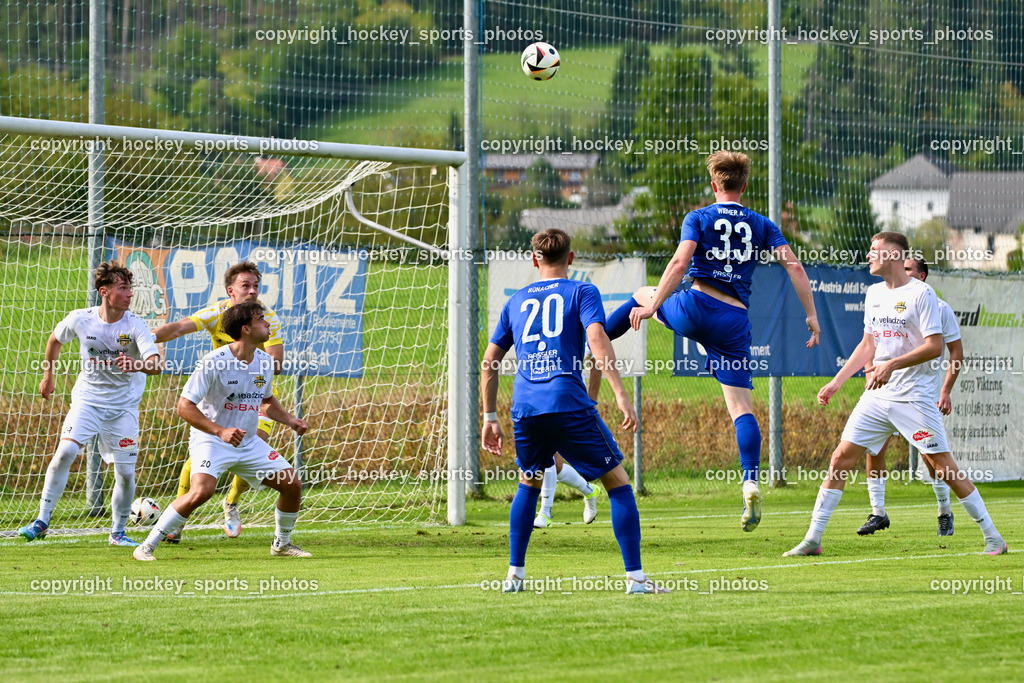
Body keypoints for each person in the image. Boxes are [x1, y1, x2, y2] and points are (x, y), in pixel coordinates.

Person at [601, 151, 820, 532]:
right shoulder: (763, 224)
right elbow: (795, 267)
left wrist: (654, 306)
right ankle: (750, 480)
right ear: (745, 186)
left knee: (640, 292)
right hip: (734, 320)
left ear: (715, 186)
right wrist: (812, 316)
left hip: (695, 306)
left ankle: (596, 339)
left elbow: (680, 263)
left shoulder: (698, 216)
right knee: (741, 409)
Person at [784, 232, 1007, 557]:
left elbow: (935, 347)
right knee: (840, 458)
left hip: (914, 398)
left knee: (942, 467)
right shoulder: (873, 293)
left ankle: (993, 537)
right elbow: (868, 346)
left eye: (875, 251)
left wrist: (892, 366)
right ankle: (813, 539)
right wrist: (837, 382)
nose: (869, 256)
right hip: (877, 396)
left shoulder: (923, 294)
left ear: (892, 255)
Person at [482, 228, 667, 594]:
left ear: (535, 260)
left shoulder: (516, 301)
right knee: (618, 485)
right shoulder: (582, 291)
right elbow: (597, 340)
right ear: (570, 258)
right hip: (566, 401)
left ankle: (514, 577)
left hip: (527, 408)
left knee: (528, 483)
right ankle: (636, 580)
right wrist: (619, 393)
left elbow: (490, 362)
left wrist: (489, 418)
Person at [133, 302, 309, 561]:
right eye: (261, 320)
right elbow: (184, 407)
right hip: (212, 440)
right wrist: (220, 431)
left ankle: (281, 544)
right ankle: (146, 546)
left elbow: (266, 401)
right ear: (246, 329)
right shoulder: (214, 362)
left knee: (292, 484)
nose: (267, 323)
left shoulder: (264, 362)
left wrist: (290, 420)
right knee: (201, 492)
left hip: (248, 442)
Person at [19, 261, 164, 546]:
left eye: (130, 288)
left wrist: (136, 364)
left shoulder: (136, 325)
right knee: (64, 453)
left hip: (123, 409)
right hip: (87, 401)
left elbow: (155, 364)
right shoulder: (81, 319)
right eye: (123, 288)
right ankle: (41, 521)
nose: (129, 294)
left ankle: (118, 533)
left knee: (124, 472)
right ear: (104, 291)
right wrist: (48, 376)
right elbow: (54, 340)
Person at [153, 261, 284, 540]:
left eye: (256, 286)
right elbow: (177, 328)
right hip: (221, 398)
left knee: (255, 444)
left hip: (253, 396)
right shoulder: (216, 313)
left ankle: (232, 503)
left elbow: (276, 361)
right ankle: (177, 521)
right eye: (245, 286)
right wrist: (143, 340)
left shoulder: (266, 317)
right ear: (231, 290)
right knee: (203, 455)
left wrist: (257, 366)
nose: (252, 291)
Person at [857, 257, 964, 537]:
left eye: (908, 270)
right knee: (874, 449)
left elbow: (955, 354)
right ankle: (877, 512)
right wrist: (872, 373)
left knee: (932, 458)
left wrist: (946, 391)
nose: (901, 273)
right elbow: (875, 344)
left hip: (917, 395)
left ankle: (944, 510)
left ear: (922, 276)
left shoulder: (939, 308)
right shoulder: (881, 298)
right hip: (883, 392)